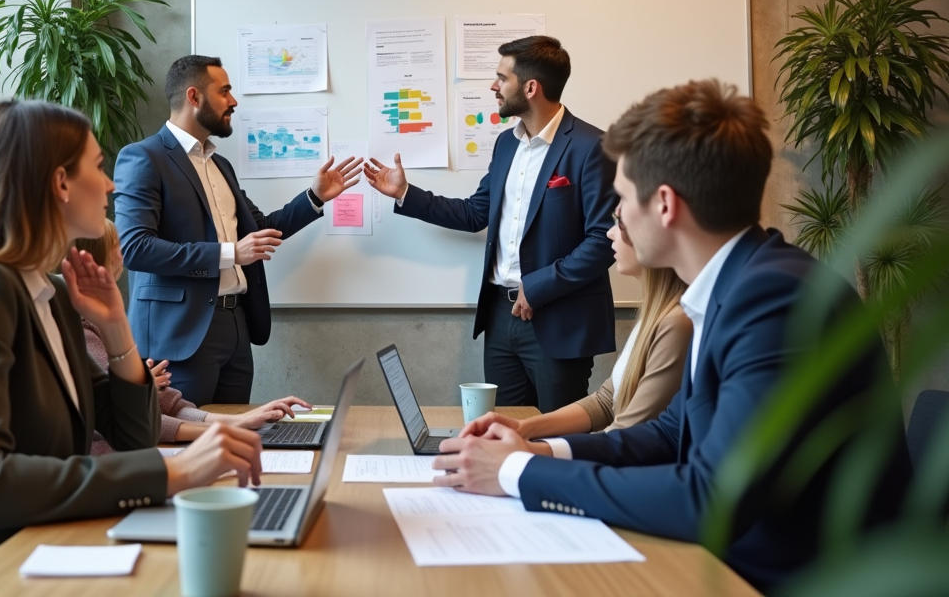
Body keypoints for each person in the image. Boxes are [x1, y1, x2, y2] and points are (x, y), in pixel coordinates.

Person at [429, 80, 911, 591]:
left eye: (620, 200)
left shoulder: (774, 299)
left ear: (664, 205)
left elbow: (711, 498)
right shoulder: (741, 282)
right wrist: (536, 452)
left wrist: (516, 475)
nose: (614, 219)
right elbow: (669, 434)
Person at [0, 100, 266, 597]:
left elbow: (132, 437)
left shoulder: (50, 294)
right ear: (59, 183)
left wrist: (117, 329)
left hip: (38, 547)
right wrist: (173, 468)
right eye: (98, 168)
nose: (112, 185)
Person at [365, 35, 618, 412]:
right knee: (503, 433)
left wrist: (539, 287)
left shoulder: (591, 146)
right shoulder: (505, 145)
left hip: (559, 320)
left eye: (502, 78)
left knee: (556, 441)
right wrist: (405, 193)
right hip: (501, 317)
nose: (493, 86)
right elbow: (475, 213)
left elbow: (604, 240)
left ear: (531, 87)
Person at [114, 54, 363, 406]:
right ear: (193, 97)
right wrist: (230, 253)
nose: (233, 101)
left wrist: (315, 196)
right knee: (186, 443)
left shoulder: (221, 165)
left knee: (231, 437)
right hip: (180, 335)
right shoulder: (144, 157)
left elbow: (259, 231)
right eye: (225, 91)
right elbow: (135, 248)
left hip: (235, 325)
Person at [75, 220, 313, 449]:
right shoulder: (82, 329)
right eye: (117, 247)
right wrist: (227, 429)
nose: (123, 255)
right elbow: (122, 418)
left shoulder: (107, 322)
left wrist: (242, 420)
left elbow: (168, 405)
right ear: (92, 260)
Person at [460, 217, 690, 442]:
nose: (609, 233)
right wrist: (522, 427)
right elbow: (606, 401)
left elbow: (626, 437)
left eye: (620, 222)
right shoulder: (653, 316)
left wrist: (539, 454)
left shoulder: (676, 323)